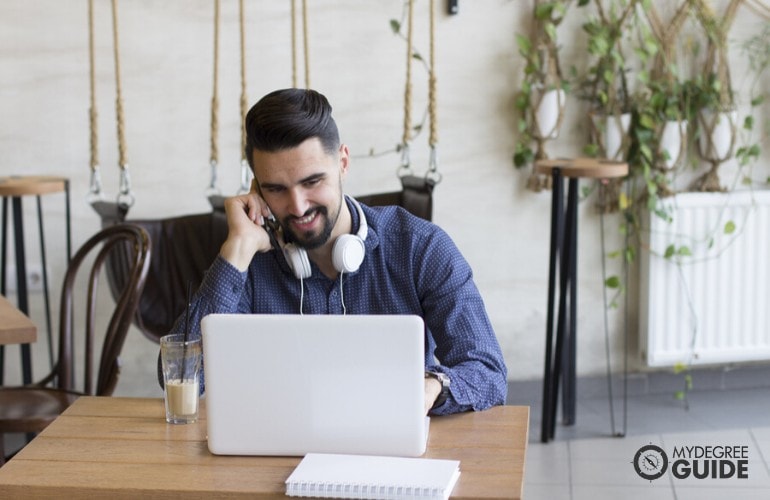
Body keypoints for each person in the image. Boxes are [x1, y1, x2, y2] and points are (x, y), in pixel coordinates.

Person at [167, 88, 507, 415]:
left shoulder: (420, 247)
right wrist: (237, 250)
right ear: (256, 187)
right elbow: (182, 380)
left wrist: (432, 387)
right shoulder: (250, 258)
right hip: (278, 453)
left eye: (312, 182)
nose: (298, 207)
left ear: (343, 162)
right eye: (276, 189)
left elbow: (488, 372)